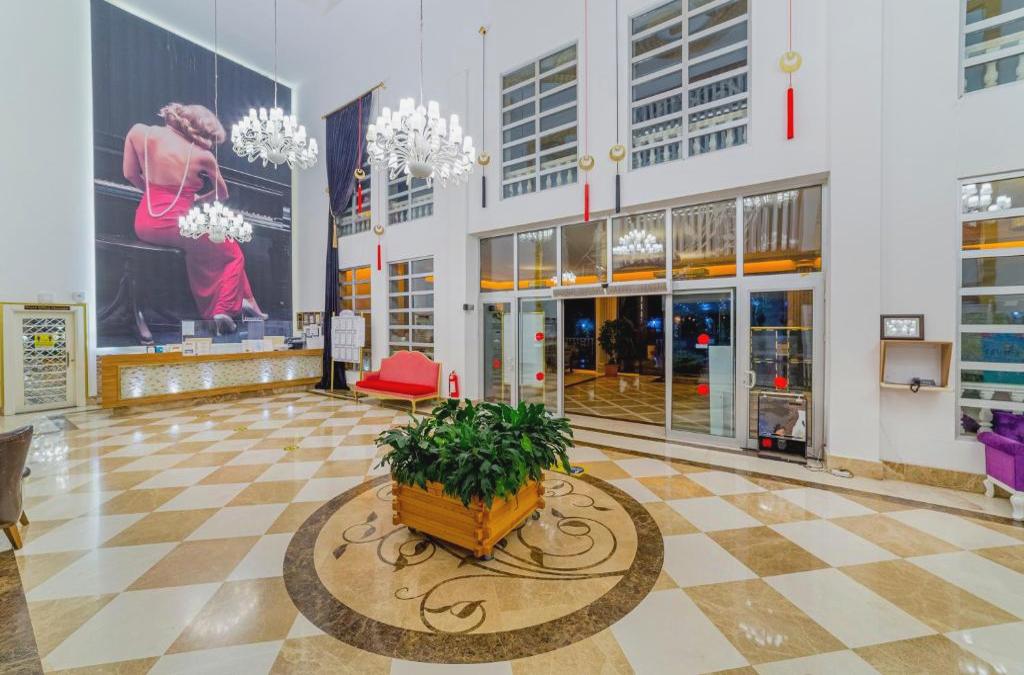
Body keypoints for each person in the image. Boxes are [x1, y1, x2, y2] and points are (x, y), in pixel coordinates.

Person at [122, 103, 267, 335]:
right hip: (181, 225)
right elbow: (222, 194)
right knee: (233, 253)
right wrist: (198, 199)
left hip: (145, 222)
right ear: (201, 132)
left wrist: (153, 194)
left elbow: (130, 174)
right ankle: (223, 309)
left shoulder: (139, 132)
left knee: (215, 251)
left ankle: (249, 302)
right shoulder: (202, 156)